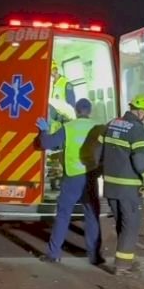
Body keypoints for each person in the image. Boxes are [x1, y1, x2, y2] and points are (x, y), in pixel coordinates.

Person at [93, 94, 144, 275]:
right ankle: (122, 266)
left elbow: (97, 152)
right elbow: (139, 160)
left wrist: (100, 171)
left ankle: (125, 260)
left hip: (111, 186)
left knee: (121, 223)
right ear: (140, 112)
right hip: (128, 188)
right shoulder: (137, 129)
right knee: (131, 225)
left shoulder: (112, 123)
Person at [36, 98, 104, 265]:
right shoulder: (100, 127)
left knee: (63, 215)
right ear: (90, 111)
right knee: (92, 216)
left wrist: (43, 131)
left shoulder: (68, 127)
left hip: (72, 177)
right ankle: (95, 256)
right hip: (90, 177)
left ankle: (54, 254)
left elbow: (46, 144)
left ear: (76, 110)